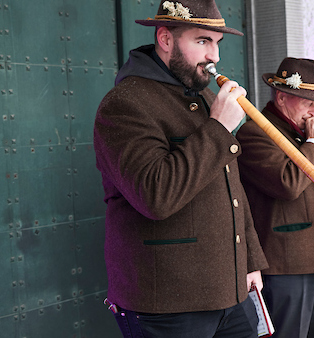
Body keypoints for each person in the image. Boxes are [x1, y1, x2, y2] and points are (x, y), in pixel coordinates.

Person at [93, 1, 268, 337]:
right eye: (203, 41)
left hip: (228, 291)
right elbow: (155, 195)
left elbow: (232, 188)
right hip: (167, 303)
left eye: (217, 43)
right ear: (166, 39)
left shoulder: (201, 98)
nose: (214, 56)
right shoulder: (125, 103)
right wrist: (218, 129)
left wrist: (250, 261)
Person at [235, 57, 314, 338]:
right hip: (287, 264)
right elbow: (288, 183)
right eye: (307, 101)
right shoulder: (254, 132)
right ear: (282, 97)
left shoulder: (306, 136)